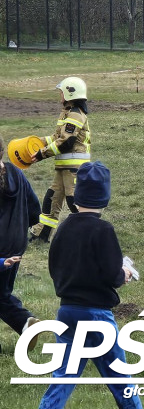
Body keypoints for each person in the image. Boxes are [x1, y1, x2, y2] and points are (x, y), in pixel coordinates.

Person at [38, 161, 143, 409]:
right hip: (96, 315)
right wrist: (124, 273)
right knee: (120, 379)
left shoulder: (63, 227)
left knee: (62, 378)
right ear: (105, 197)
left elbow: (55, 266)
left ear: (77, 196)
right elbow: (111, 274)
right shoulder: (104, 230)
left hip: (67, 312)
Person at [28, 77, 91, 242]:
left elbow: (66, 142)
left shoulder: (76, 115)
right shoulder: (67, 113)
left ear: (70, 94)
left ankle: (88, 234)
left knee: (74, 202)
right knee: (52, 198)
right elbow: (57, 137)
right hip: (63, 167)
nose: (60, 96)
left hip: (74, 168)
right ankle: (41, 235)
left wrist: (42, 154)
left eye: (61, 92)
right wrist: (38, 142)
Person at [0, 136, 42, 353]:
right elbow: (35, 210)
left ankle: (25, 322)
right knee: (2, 292)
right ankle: (26, 324)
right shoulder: (15, 172)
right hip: (16, 244)